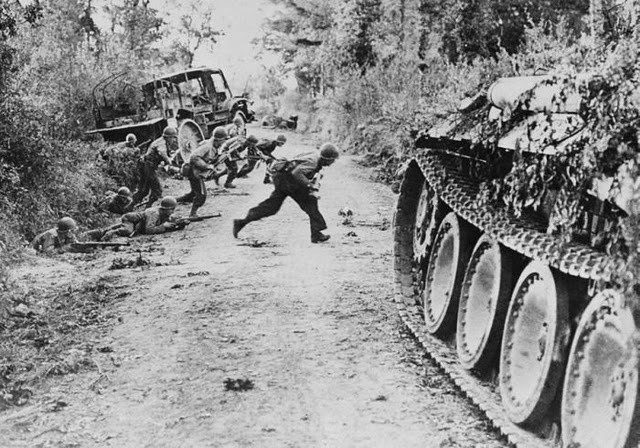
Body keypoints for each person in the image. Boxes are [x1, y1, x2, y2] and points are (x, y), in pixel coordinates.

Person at [232, 143, 340, 243]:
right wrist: (309, 185)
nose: (333, 162)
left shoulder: (315, 157)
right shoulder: (313, 161)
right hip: (286, 179)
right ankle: (316, 233)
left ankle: (241, 222)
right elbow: (297, 173)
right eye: (333, 160)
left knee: (272, 206)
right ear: (327, 158)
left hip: (283, 177)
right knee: (309, 202)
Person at [177, 127, 228, 217]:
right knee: (201, 195)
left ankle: (176, 200)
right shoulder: (207, 146)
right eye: (223, 140)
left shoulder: (214, 146)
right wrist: (207, 166)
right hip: (194, 172)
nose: (224, 142)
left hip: (195, 171)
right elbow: (194, 157)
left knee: (194, 192)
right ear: (218, 140)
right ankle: (192, 214)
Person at [91, 196, 180, 241]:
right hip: (130, 219)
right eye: (171, 210)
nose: (172, 212)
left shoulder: (163, 213)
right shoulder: (154, 213)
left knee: (106, 229)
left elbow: (169, 223)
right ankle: (111, 234)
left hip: (135, 224)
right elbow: (149, 229)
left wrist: (179, 224)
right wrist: (163, 226)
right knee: (127, 230)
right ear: (165, 209)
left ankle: (91, 234)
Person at [132, 126, 178, 208]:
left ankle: (131, 205)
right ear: (168, 137)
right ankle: (144, 207)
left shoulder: (163, 142)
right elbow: (162, 152)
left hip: (146, 166)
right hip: (147, 166)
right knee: (156, 190)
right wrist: (169, 161)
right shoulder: (161, 143)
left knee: (144, 190)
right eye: (173, 138)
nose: (174, 140)